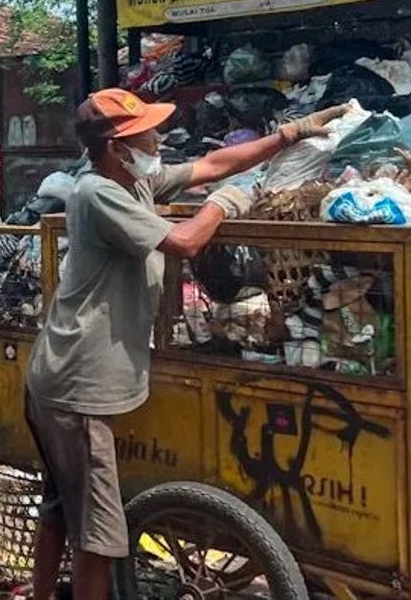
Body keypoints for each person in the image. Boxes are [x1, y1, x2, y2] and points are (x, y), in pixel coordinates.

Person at [25, 88, 348, 599]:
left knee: (65, 507)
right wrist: (223, 205)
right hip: (78, 384)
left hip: (61, 375)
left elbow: (213, 164)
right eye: (147, 132)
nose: (159, 138)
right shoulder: (99, 193)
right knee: (100, 537)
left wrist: (289, 134)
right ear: (116, 145)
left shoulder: (133, 180)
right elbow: (185, 242)